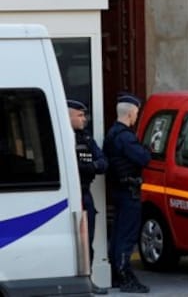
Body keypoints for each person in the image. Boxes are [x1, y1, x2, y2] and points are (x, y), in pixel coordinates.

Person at [104, 92, 151, 293]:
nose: (136, 116)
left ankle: (116, 274)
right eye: (136, 112)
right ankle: (125, 277)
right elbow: (143, 159)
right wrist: (147, 149)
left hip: (118, 190)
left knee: (117, 235)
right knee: (126, 236)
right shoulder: (125, 137)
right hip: (128, 191)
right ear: (131, 113)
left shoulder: (112, 133)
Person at [67, 99, 108, 295]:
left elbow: (102, 162)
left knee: (88, 241)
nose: (84, 119)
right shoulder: (63, 137)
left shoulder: (86, 139)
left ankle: (88, 281)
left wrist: (88, 167)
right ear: (69, 115)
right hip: (67, 197)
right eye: (80, 115)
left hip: (85, 194)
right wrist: (88, 167)